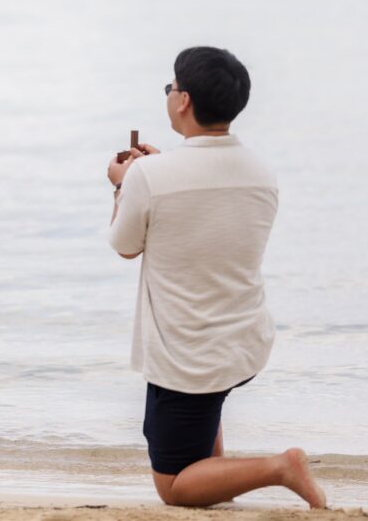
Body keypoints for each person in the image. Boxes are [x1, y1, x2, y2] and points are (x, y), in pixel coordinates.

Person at [106, 46, 326, 508]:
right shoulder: (261, 172)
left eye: (171, 87)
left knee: (175, 487)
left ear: (183, 101)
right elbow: (207, 212)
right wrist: (153, 172)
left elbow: (125, 245)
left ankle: (282, 467)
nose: (169, 94)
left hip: (187, 352)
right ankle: (222, 483)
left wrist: (124, 184)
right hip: (242, 338)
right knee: (200, 428)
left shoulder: (150, 176)